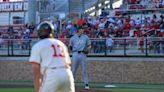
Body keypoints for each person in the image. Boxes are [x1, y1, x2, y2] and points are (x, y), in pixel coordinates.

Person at [29, 21, 75, 92]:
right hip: (67, 74)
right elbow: (68, 64)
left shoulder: (38, 45)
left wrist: (37, 89)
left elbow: (36, 70)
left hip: (52, 73)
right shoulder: (60, 43)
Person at [69, 25, 91, 90]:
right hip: (75, 53)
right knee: (73, 70)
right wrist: (72, 49)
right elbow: (70, 46)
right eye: (81, 29)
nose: (83, 30)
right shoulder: (73, 38)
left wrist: (87, 49)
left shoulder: (85, 37)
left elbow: (89, 45)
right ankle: (71, 83)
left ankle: (86, 84)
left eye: (83, 29)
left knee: (84, 70)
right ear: (78, 30)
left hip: (83, 54)